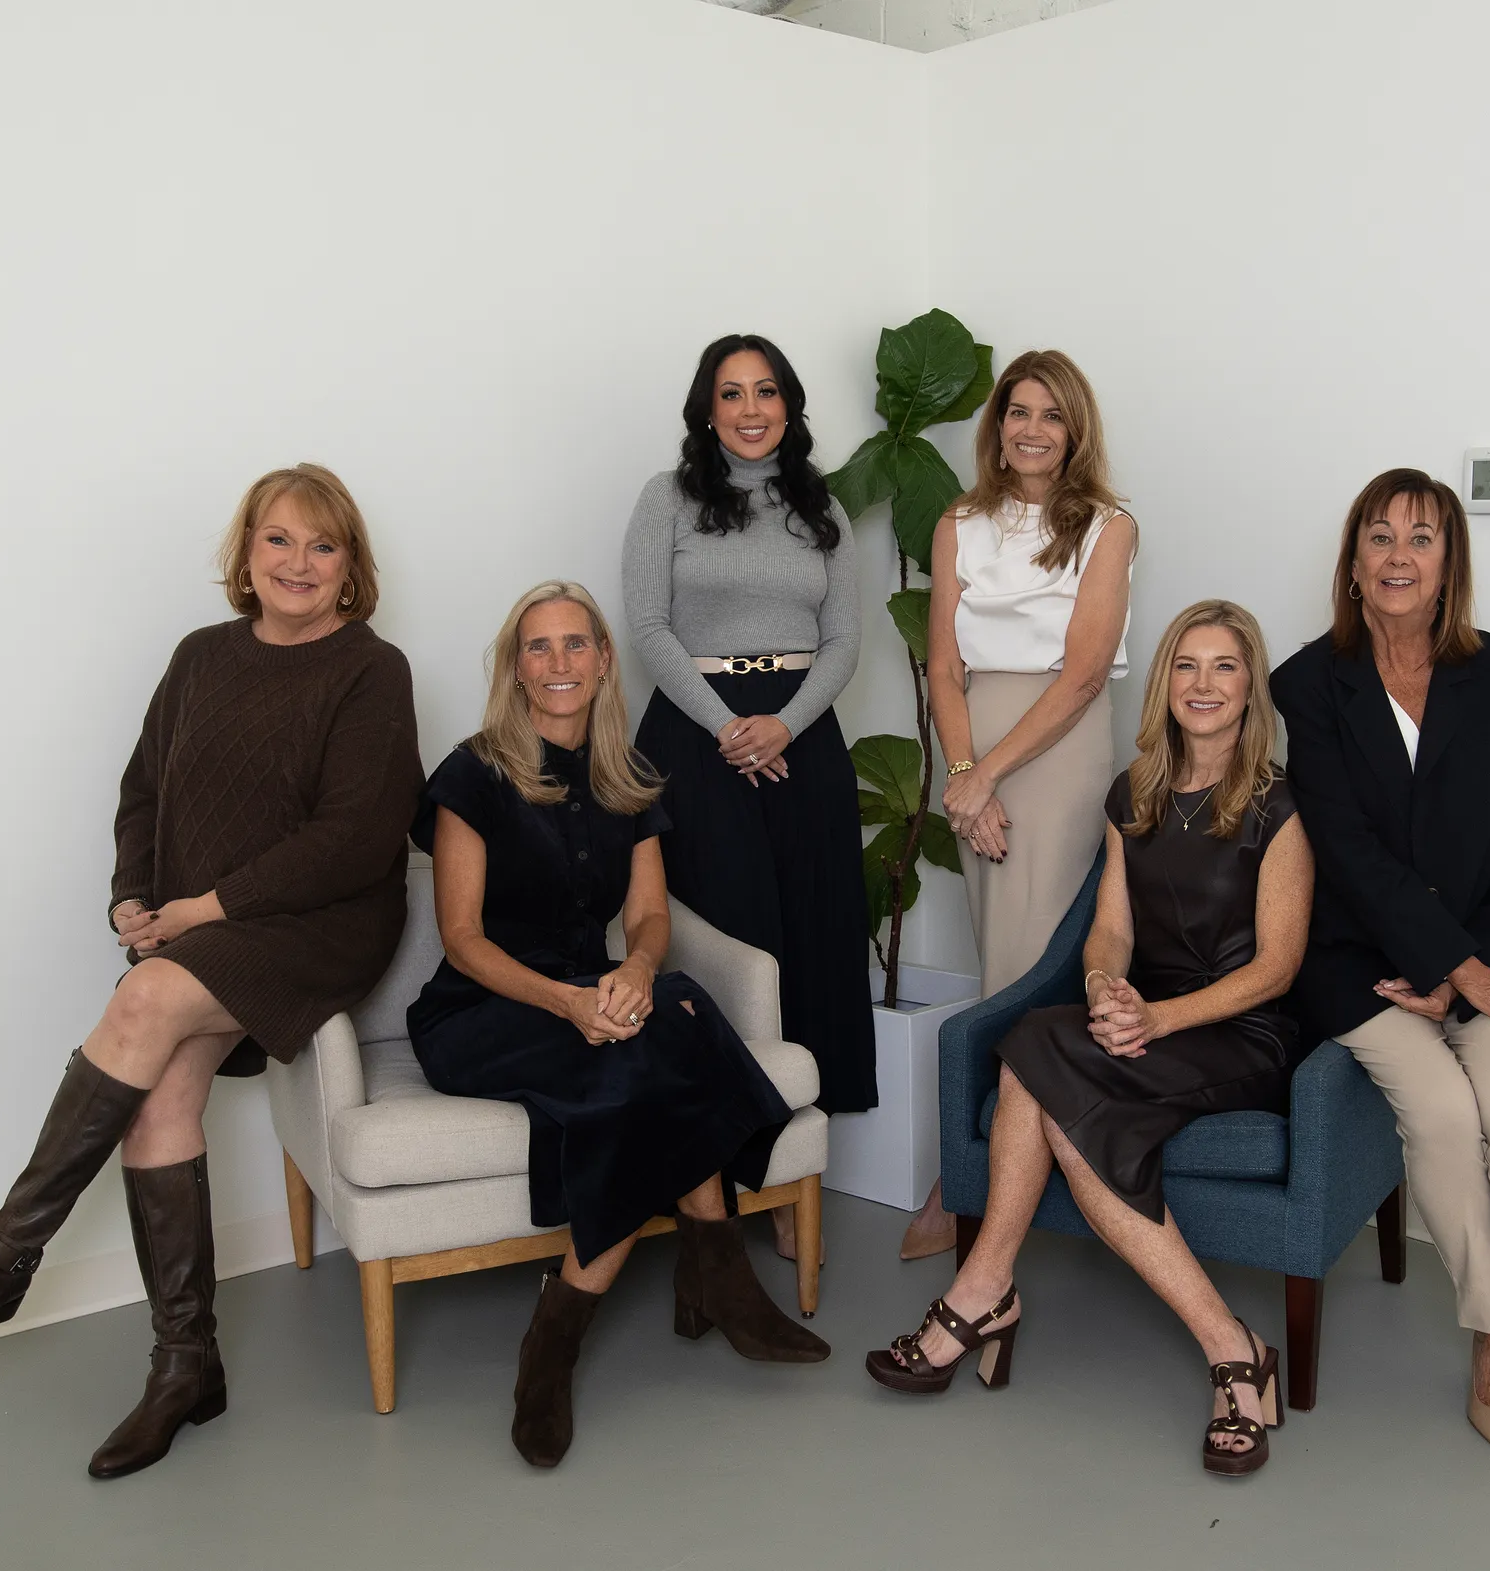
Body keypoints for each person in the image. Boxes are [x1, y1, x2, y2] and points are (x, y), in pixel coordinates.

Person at [0, 464, 422, 1478]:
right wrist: (131, 895)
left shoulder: (368, 668)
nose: (297, 563)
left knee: (146, 997)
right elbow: (142, 791)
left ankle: (0, 1258)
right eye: (277, 540)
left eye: (322, 545)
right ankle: (187, 1364)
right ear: (245, 553)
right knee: (160, 1081)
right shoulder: (199, 656)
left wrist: (203, 910)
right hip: (196, 929)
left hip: (320, 923)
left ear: (350, 570)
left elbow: (356, 836)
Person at [869, 601, 1312, 1478]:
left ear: (1249, 686)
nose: (1204, 684)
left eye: (1225, 667)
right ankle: (1220, 1348)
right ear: (1164, 682)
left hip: (1236, 1033)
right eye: (1187, 665)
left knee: (1042, 1075)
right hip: (1146, 1015)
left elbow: (1279, 968)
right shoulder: (1134, 794)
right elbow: (1107, 931)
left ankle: (993, 1299)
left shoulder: (1276, 805)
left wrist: (1161, 1017)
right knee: (1039, 1042)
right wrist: (1110, 987)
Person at [409, 581, 829, 1469]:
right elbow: (461, 937)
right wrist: (569, 1001)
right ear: (515, 669)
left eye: (576, 644)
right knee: (644, 1060)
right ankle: (604, 1324)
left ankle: (663, 1290)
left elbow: (647, 920)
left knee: (676, 1003)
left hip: (591, 991)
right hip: (484, 1008)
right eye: (538, 647)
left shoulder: (628, 778)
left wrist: (634, 972)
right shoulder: (472, 773)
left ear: (604, 661)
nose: (559, 663)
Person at [1270, 468, 1490, 1488]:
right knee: (1444, 1118)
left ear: (1448, 560)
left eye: (1421, 536)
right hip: (1359, 970)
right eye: (1379, 536)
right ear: (1353, 563)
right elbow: (1350, 851)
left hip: (1485, 961)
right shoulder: (1306, 683)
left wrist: (1471, 976)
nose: (1399, 555)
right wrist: (1442, 969)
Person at [624, 333, 872, 1261]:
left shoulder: (822, 507)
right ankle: (714, 1175)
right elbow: (645, 624)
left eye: (767, 391)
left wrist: (785, 724)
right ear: (707, 408)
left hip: (801, 736)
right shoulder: (670, 498)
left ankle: (787, 1176)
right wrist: (730, 723)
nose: (752, 409)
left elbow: (845, 641)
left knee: (809, 938)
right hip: (697, 734)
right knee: (723, 943)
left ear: (789, 404)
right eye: (732, 394)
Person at [902, 348, 1135, 1258]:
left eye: (1051, 414)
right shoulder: (958, 522)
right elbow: (944, 665)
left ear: (1075, 430)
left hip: (1057, 749)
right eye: (1017, 411)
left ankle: (977, 1178)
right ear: (998, 424)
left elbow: (1082, 677)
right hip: (976, 759)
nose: (1031, 429)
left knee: (1038, 964)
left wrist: (987, 772)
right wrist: (964, 772)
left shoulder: (1109, 526)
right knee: (996, 946)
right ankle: (992, 1166)